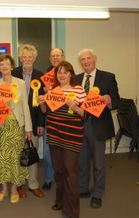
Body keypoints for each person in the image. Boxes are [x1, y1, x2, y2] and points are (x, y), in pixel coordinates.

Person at [39, 61, 88, 218]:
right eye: (59, 72)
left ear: (71, 74)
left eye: (65, 72)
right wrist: (42, 104)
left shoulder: (79, 90)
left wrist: (75, 107)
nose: (61, 75)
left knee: (70, 173)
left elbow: (86, 114)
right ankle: (60, 200)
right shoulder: (53, 90)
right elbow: (47, 112)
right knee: (59, 171)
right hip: (54, 136)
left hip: (72, 137)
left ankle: (72, 210)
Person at [76, 48, 121, 209]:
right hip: (80, 125)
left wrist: (109, 101)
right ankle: (83, 188)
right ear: (80, 63)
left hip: (98, 126)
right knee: (82, 161)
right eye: (83, 60)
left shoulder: (108, 77)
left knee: (99, 164)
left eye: (89, 58)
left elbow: (117, 101)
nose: (86, 62)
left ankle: (97, 193)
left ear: (95, 59)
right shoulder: (76, 79)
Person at [0, 54, 33, 204]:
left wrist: (28, 128)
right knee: (2, 157)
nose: (4, 67)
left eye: (7, 64)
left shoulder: (20, 83)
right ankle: (3, 189)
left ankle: (14, 188)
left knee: (14, 158)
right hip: (1, 127)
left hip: (16, 126)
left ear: (12, 67)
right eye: (1, 64)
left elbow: (25, 106)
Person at [11, 44, 45, 198]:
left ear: (35, 58)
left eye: (30, 57)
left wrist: (40, 124)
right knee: (18, 153)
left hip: (33, 121)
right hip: (16, 121)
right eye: (24, 57)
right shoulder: (13, 74)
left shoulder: (40, 76)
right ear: (20, 58)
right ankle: (19, 184)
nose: (27, 59)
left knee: (32, 152)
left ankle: (33, 183)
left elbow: (41, 104)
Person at [42, 47, 66, 189]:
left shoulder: (71, 75)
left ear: (64, 57)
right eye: (53, 56)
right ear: (50, 59)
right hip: (50, 119)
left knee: (65, 152)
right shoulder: (46, 77)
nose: (56, 58)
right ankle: (48, 179)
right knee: (47, 152)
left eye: (58, 55)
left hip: (66, 120)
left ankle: (62, 179)